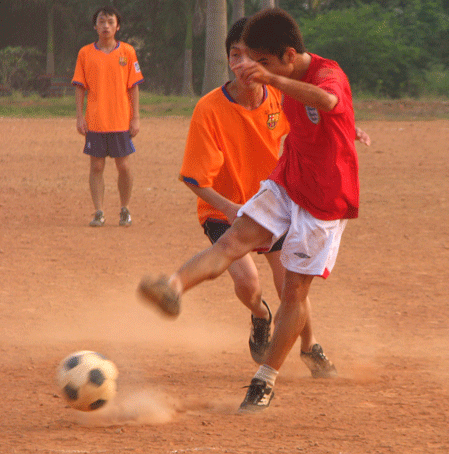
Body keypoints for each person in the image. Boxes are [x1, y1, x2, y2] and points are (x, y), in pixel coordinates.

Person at [138, 7, 361, 413]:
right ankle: (171, 288)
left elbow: (329, 99)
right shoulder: (234, 97)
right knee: (235, 239)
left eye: (261, 61)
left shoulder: (322, 75)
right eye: (242, 58)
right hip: (287, 181)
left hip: (325, 199)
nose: (250, 68)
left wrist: (275, 79)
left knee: (293, 290)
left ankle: (267, 378)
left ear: (287, 57)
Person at [72, 6, 144, 227]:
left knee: (123, 166)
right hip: (95, 120)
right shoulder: (85, 53)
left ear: (117, 26)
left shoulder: (128, 52)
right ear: (95, 26)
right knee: (96, 167)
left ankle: (125, 208)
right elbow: (80, 87)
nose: (106, 26)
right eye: (101, 22)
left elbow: (133, 87)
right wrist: (79, 116)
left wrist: (136, 117)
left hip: (121, 119)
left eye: (110, 22)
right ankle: (99, 211)